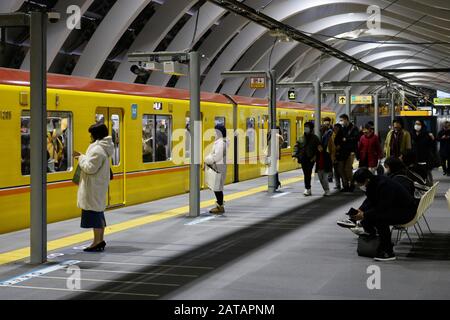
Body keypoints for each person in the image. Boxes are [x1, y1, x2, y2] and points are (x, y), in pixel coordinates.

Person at [346, 168, 416, 261]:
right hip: (399, 208)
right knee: (372, 216)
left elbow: (382, 208)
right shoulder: (375, 182)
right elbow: (370, 201)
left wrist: (364, 215)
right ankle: (376, 239)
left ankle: (388, 252)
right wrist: (360, 210)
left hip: (406, 212)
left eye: (360, 184)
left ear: (367, 180)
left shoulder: (384, 185)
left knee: (380, 219)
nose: (360, 187)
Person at [73, 123, 114, 252]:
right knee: (98, 212)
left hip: (93, 186)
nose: (90, 136)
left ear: (96, 135)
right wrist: (84, 157)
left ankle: (97, 241)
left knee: (95, 213)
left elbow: (90, 168)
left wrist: (80, 158)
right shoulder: (103, 148)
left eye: (92, 133)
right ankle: (99, 240)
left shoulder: (98, 150)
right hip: (97, 185)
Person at [205, 124, 229, 214]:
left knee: (217, 187)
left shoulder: (221, 143)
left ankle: (220, 206)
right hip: (219, 166)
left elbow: (217, 156)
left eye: (216, 131)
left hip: (218, 166)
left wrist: (208, 160)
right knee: (217, 187)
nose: (214, 133)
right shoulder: (220, 142)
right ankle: (219, 205)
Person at [293, 122, 320, 196]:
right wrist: (294, 155)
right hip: (303, 158)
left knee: (308, 173)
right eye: (305, 127)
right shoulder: (301, 138)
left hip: (311, 159)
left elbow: (319, 148)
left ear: (311, 129)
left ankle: (307, 188)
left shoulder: (315, 138)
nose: (306, 128)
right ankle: (308, 188)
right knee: (306, 173)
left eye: (307, 127)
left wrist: (315, 156)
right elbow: (296, 146)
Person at [336, 114, 359, 192]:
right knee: (340, 169)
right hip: (342, 152)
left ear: (346, 119)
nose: (341, 122)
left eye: (342, 120)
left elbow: (356, 138)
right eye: (340, 120)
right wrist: (338, 144)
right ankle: (345, 185)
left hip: (350, 152)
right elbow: (337, 139)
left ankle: (352, 184)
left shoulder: (354, 128)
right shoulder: (341, 129)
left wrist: (347, 139)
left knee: (347, 169)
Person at [411, 119, 435, 185]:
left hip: (425, 157)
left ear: (422, 125)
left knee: (427, 172)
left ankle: (429, 186)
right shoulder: (412, 134)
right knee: (416, 173)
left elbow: (431, 146)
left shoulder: (427, 134)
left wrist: (432, 139)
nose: (417, 125)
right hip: (415, 157)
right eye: (416, 124)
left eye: (419, 124)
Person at [266, 126, 284, 190]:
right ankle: (276, 182)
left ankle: (275, 182)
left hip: (271, 154)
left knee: (272, 169)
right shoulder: (277, 136)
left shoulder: (270, 135)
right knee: (274, 169)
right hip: (274, 154)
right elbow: (282, 142)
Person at [328, 123, 343, 190]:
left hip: (341, 156)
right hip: (334, 156)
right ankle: (338, 184)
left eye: (336, 128)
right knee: (336, 171)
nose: (335, 130)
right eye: (334, 128)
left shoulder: (342, 136)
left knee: (341, 171)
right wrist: (331, 155)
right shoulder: (332, 136)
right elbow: (330, 147)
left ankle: (344, 184)